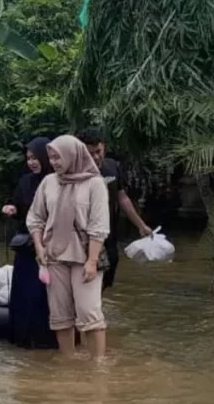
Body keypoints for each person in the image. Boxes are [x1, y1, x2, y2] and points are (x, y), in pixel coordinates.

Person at [27, 135, 110, 358]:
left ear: (73, 155)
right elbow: (35, 218)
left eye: (58, 157)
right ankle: (68, 362)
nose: (54, 162)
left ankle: (98, 366)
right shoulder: (49, 182)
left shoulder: (95, 183)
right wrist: (39, 248)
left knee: (89, 311)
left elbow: (99, 225)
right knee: (59, 313)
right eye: (51, 157)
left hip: (85, 254)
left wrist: (92, 261)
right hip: (53, 254)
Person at [76, 127, 153, 290]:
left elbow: (122, 197)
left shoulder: (111, 166)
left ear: (104, 146)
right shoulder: (74, 172)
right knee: (85, 279)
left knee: (106, 276)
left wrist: (141, 225)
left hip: (108, 233)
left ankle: (97, 309)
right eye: (90, 153)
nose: (96, 157)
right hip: (82, 237)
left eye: (99, 151)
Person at [1, 137, 56, 348]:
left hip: (52, 248)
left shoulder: (57, 181)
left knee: (46, 296)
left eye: (35, 158)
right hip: (27, 248)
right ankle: (23, 338)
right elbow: (18, 207)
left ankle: (49, 340)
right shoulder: (25, 182)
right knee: (25, 294)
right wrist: (11, 210)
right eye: (29, 158)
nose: (32, 162)